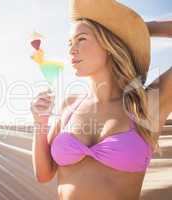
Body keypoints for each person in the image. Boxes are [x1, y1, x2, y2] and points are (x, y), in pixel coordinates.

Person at [30, 0, 172, 199]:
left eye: (81, 39)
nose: (72, 50)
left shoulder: (146, 105)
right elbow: (44, 174)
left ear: (109, 44)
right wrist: (40, 123)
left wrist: (139, 30)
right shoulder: (70, 105)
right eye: (70, 43)